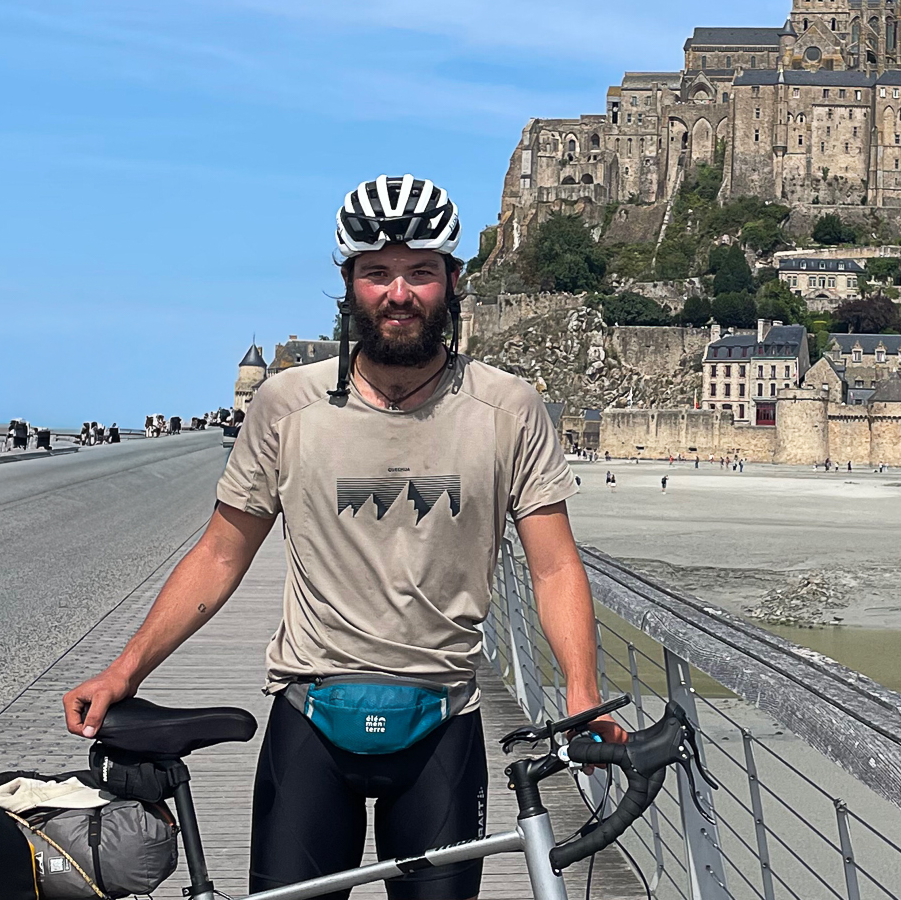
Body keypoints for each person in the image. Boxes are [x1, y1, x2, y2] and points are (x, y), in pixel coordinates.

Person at [63, 175, 618, 900]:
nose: (398, 292)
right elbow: (221, 553)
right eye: (377, 271)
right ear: (350, 283)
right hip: (310, 715)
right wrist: (126, 670)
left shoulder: (507, 408)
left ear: (453, 281)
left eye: (420, 271)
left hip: (444, 718)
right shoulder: (286, 405)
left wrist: (581, 693)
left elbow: (554, 567)